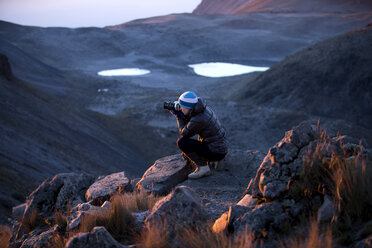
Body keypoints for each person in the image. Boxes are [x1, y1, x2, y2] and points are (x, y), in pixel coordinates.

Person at [169, 91, 228, 179]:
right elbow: (191, 122)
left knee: (182, 143)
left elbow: (184, 134)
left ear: (188, 107)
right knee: (187, 150)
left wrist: (179, 116)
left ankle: (203, 168)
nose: (180, 109)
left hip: (216, 151)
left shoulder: (198, 119)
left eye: (182, 107)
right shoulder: (202, 109)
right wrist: (183, 115)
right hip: (220, 147)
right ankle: (212, 159)